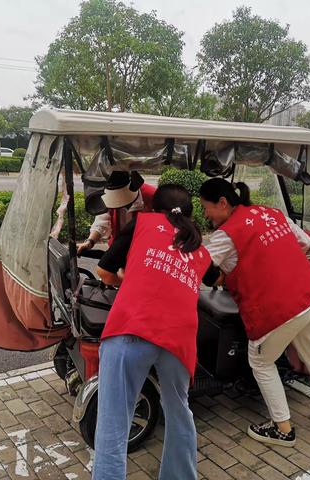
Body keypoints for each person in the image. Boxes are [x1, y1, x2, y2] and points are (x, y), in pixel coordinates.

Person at [199, 178, 310, 448]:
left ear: (223, 203)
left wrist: (224, 277)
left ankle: (283, 429)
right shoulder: (271, 213)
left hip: (279, 309)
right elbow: (305, 242)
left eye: (205, 207)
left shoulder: (227, 234)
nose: (205, 214)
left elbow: (203, 268)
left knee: (261, 363)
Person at [92, 184, 213, 480]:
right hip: (179, 337)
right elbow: (214, 277)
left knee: (114, 421)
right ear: (190, 212)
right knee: (179, 411)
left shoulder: (142, 223)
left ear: (154, 208)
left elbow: (105, 272)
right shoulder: (199, 245)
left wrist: (131, 280)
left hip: (132, 326)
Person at [77, 174, 156, 255]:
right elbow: (102, 220)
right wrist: (90, 242)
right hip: (117, 248)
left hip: (146, 250)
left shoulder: (151, 195)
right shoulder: (106, 196)